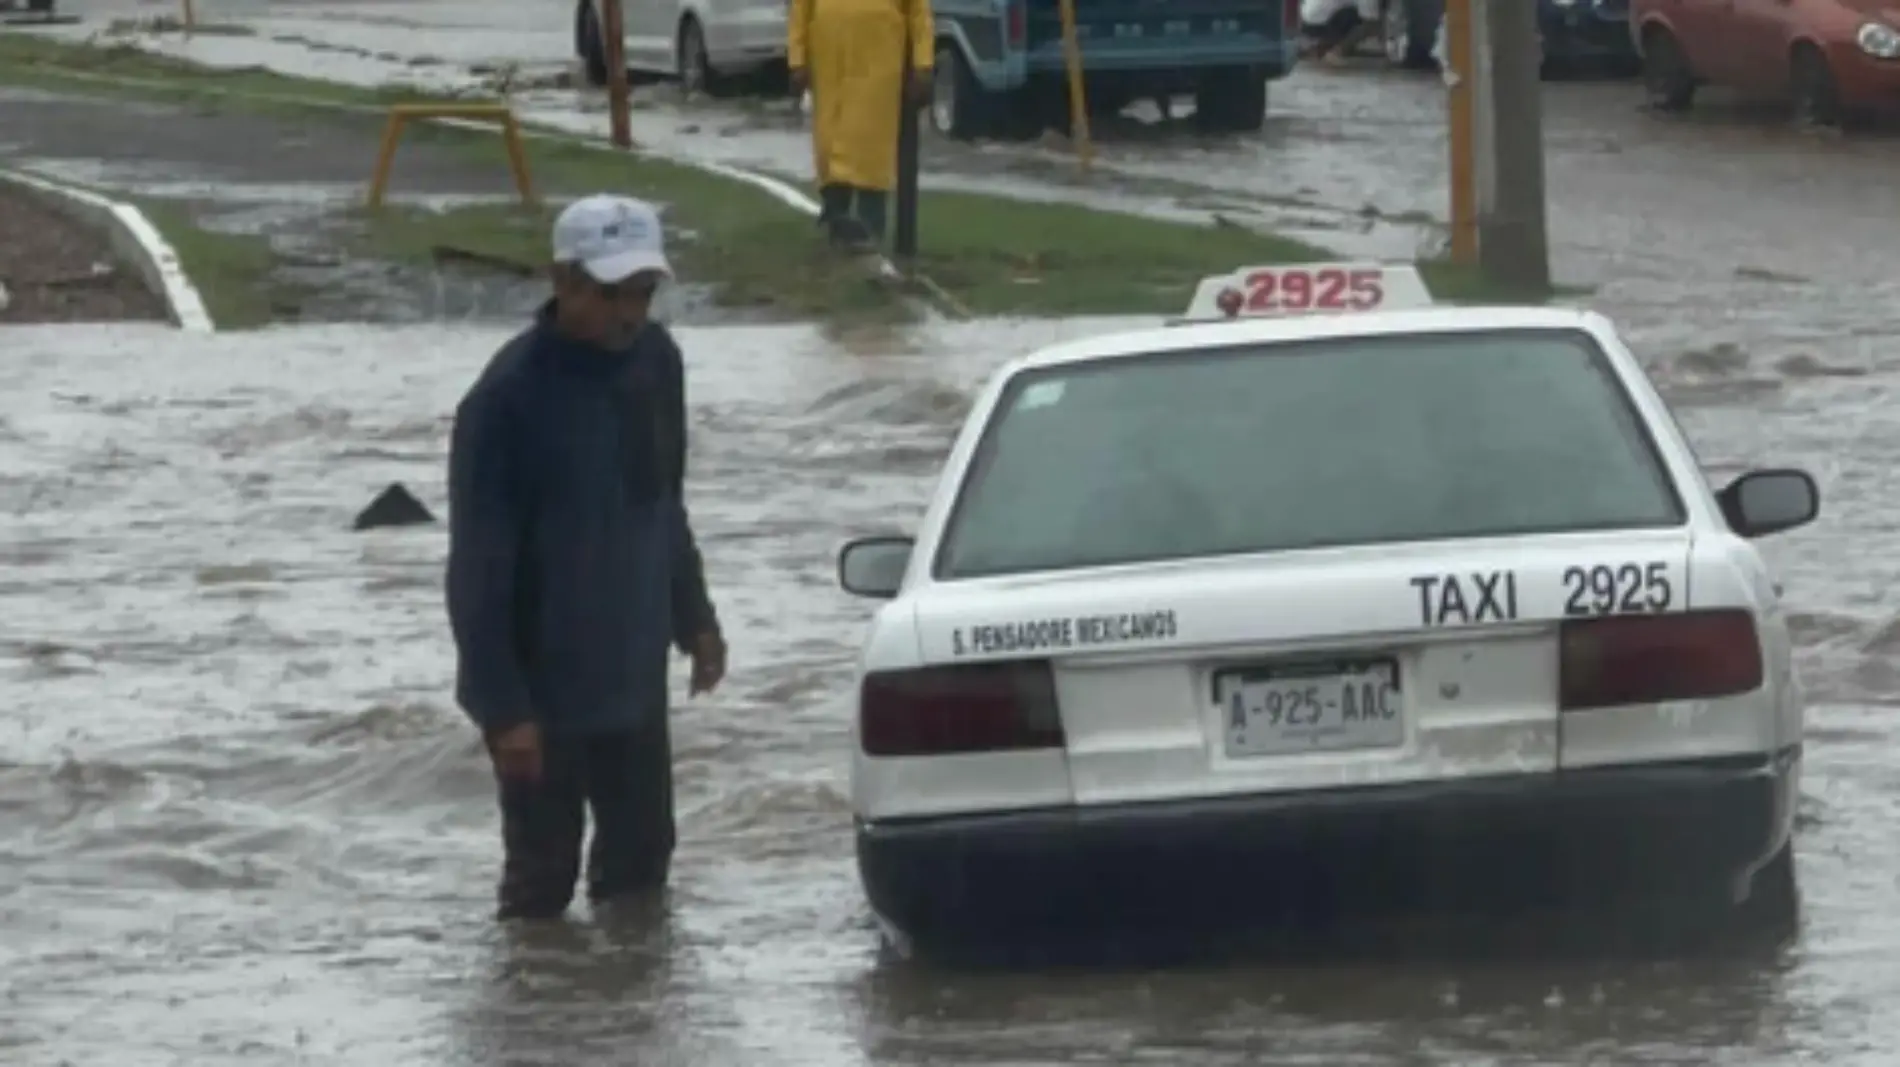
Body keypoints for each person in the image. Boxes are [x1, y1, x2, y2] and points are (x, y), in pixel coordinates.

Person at [445, 193, 727, 922]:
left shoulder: (657, 364)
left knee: (642, 864)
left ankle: (624, 1025)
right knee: (542, 880)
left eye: (643, 292)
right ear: (561, 280)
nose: (629, 313)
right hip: (543, 687)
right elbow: (478, 568)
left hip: (633, 671)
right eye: (610, 294)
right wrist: (501, 706)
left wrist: (694, 617)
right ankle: (533, 1028)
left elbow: (663, 500)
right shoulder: (505, 401)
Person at [787, 0, 934, 251]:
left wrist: (923, 65)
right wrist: (797, 60)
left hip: (878, 61)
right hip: (829, 63)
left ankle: (871, 227)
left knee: (870, 145)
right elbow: (800, 10)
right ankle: (836, 220)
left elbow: (919, 14)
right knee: (829, 141)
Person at [1302, 0, 1381, 65]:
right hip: (1324, 24)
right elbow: (1370, 21)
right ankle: (1338, 50)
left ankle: (1319, 46)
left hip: (1305, 21)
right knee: (1364, 20)